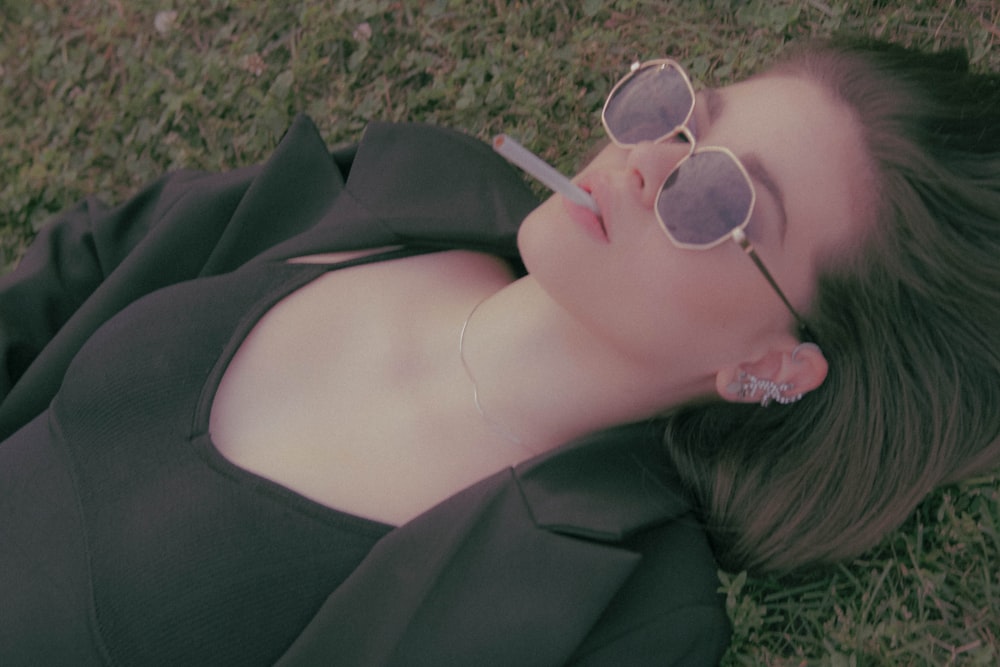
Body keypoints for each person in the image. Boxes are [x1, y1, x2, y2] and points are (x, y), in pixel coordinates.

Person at [1, 34, 998, 665]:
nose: (648, 159)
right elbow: (85, 266)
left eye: (720, 197)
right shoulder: (398, 184)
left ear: (773, 366)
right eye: (683, 116)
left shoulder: (619, 619)